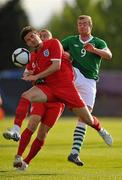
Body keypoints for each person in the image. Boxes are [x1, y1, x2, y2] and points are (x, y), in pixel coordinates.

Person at [61, 15, 112, 165]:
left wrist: (94, 50)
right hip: (75, 75)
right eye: (79, 24)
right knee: (68, 69)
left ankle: (75, 153)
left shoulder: (98, 42)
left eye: (84, 24)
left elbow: (109, 55)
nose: (82, 26)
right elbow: (55, 49)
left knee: (85, 116)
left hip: (90, 81)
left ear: (90, 26)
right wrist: (65, 54)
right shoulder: (71, 40)